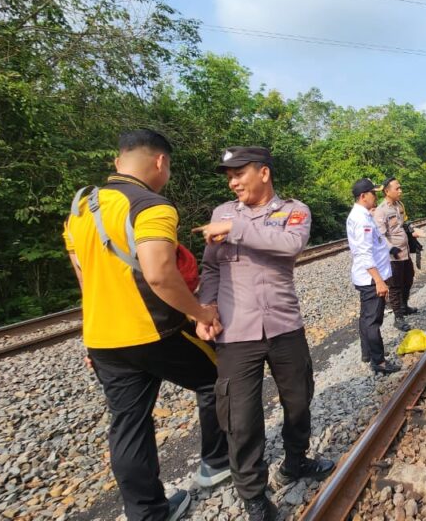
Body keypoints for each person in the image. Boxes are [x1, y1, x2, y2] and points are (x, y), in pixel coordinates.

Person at [63, 129, 229, 521]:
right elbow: (159, 274)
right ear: (160, 162)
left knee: (129, 423)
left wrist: (91, 335)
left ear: (117, 162)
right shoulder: (151, 206)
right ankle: (217, 462)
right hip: (154, 330)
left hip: (104, 340)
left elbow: (84, 276)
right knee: (218, 378)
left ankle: (147, 512)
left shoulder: (80, 209)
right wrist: (201, 313)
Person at [193, 146, 334, 520]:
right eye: (229, 177)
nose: (233, 183)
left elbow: (291, 245)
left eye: (239, 174)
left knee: (299, 400)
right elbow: (211, 269)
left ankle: (296, 460)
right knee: (241, 419)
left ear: (264, 173)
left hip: (284, 324)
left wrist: (235, 230)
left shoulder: (294, 210)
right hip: (235, 331)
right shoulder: (221, 214)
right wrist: (206, 308)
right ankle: (254, 497)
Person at [346, 178, 401, 375]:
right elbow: (364, 253)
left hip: (367, 276)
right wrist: (378, 280)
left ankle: (367, 353)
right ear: (363, 196)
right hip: (371, 279)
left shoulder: (363, 215)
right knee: (373, 321)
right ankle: (379, 361)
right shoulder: (361, 220)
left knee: (366, 317)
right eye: (373, 194)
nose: (375, 197)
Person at [373, 177, 423, 331]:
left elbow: (403, 224)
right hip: (393, 256)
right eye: (397, 188)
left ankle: (404, 306)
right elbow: (380, 235)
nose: (400, 191)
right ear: (387, 191)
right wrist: (390, 248)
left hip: (404, 252)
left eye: (400, 188)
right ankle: (398, 317)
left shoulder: (399, 205)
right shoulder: (381, 210)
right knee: (395, 286)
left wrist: (413, 232)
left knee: (408, 279)